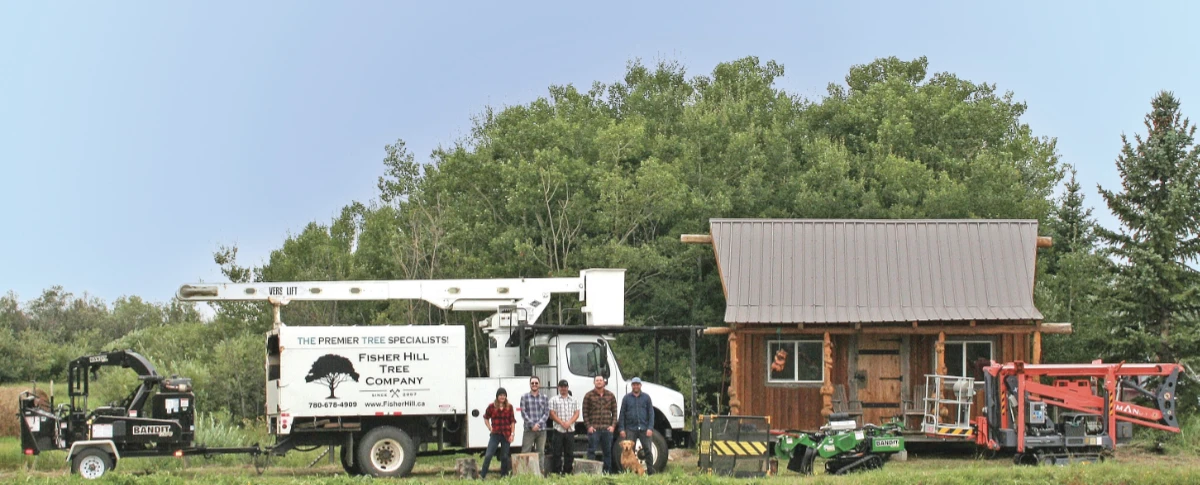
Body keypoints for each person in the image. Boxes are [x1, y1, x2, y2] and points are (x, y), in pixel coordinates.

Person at [618, 377, 655, 475]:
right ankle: (629, 473)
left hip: (644, 428)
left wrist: (650, 427)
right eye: (634, 384)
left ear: (640, 385)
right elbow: (622, 414)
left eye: (637, 384)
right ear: (632, 386)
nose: (636, 386)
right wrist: (621, 428)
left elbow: (651, 413)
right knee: (629, 451)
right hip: (631, 428)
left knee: (647, 450)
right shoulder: (626, 398)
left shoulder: (646, 397)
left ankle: (650, 472)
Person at [582, 375, 617, 473]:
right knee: (591, 451)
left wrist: (613, 426)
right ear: (594, 382)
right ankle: (591, 473)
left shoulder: (610, 395)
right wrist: (588, 426)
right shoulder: (588, 396)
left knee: (607, 453)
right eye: (597, 380)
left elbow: (614, 412)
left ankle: (607, 473)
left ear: (604, 382)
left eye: (601, 380)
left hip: (607, 429)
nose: (599, 382)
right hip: (594, 429)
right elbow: (585, 412)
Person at [480, 387, 514, 479]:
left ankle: (504, 476)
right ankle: (482, 475)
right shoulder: (491, 406)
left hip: (506, 434)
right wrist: (489, 427)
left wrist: (512, 434)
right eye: (500, 395)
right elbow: (486, 417)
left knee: (504, 456)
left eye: (504, 395)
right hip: (495, 434)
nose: (502, 397)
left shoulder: (509, 407)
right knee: (488, 455)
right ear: (497, 396)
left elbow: (512, 421)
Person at [547, 379, 580, 475]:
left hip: (570, 430)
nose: (563, 389)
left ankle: (567, 471)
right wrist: (562, 423)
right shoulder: (553, 399)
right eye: (561, 387)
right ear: (558, 388)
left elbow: (577, 413)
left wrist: (569, 422)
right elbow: (551, 414)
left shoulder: (574, 400)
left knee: (569, 453)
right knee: (557, 452)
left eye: (565, 387)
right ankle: (557, 472)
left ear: (567, 388)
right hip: (558, 429)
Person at [519, 376, 549, 468]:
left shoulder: (544, 397)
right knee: (525, 451)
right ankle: (524, 473)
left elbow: (546, 413)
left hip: (541, 430)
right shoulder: (524, 397)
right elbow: (523, 413)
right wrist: (532, 425)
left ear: (539, 384)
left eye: (536, 383)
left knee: (541, 452)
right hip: (529, 429)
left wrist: (538, 424)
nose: (534, 385)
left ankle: (540, 473)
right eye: (532, 383)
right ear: (530, 384)